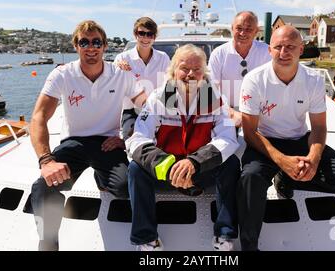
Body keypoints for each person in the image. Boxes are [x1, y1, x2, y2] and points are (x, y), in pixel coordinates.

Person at [237, 26, 335, 251]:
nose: (284, 52)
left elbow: (319, 126)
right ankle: (249, 244)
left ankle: (287, 178)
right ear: (269, 50)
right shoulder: (254, 80)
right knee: (250, 179)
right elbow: (249, 132)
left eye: (290, 47)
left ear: (301, 50)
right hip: (264, 142)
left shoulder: (313, 80)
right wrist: (281, 160)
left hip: (298, 140)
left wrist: (313, 159)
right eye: (278, 47)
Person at [29, 20, 146, 251]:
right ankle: (48, 243)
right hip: (74, 142)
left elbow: (147, 108)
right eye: (84, 42)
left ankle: (102, 178)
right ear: (76, 46)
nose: (91, 47)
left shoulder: (121, 75)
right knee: (44, 186)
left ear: (104, 46)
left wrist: (128, 138)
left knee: (124, 187)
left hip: (107, 142)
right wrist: (46, 160)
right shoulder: (62, 75)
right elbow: (38, 117)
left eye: (96, 42)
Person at [126, 44, 240, 251]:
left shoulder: (212, 98)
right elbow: (137, 139)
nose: (190, 74)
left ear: (204, 72)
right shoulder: (160, 97)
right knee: (135, 168)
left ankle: (224, 234)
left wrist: (195, 162)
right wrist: (167, 166)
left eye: (197, 70)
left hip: (199, 167)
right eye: (184, 68)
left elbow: (229, 138)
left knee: (231, 163)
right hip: (166, 169)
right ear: (173, 71)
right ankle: (146, 238)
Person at [208, 11, 272, 127]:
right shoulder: (218, 54)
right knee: (229, 141)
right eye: (239, 28)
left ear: (256, 31)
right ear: (232, 28)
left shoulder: (267, 52)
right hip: (227, 113)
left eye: (248, 29)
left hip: (259, 114)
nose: (243, 33)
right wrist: (232, 114)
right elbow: (211, 92)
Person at [114, 17, 170, 140]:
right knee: (132, 139)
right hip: (131, 111)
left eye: (149, 34)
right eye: (141, 33)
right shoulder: (122, 59)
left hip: (157, 110)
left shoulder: (163, 58)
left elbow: (169, 86)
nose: (145, 38)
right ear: (135, 35)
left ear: (154, 37)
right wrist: (118, 69)